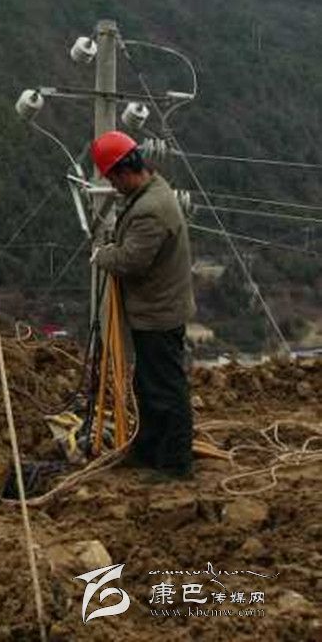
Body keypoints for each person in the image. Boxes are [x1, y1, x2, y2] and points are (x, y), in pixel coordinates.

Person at [90, 130, 196, 480]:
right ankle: (149, 449)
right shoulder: (153, 191)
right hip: (156, 308)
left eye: (112, 179)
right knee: (149, 385)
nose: (113, 186)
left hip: (158, 313)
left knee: (165, 388)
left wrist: (103, 255)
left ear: (124, 172)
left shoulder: (151, 210)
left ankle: (175, 463)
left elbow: (132, 261)